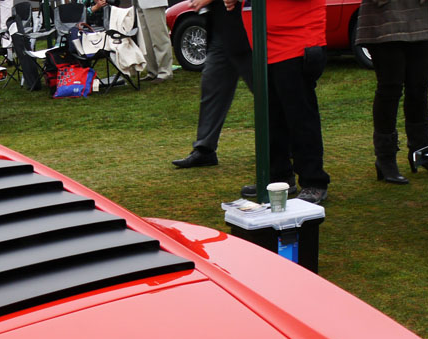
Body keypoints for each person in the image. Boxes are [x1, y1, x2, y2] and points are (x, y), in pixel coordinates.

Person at [232, 0, 331, 204]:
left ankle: (313, 181)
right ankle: (278, 178)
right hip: (264, 50)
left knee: (300, 117)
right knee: (271, 118)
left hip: (295, 43)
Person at [355, 0, 428, 185]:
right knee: (390, 89)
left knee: (419, 87)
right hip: (384, 15)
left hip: (419, 15)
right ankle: (385, 159)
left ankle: (421, 152)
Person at [170, 0, 251, 168]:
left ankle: (291, 143)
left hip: (245, 27)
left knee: (266, 89)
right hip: (222, 28)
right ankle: (205, 149)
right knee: (212, 84)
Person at [134, 0, 173, 82]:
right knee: (145, 41)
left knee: (159, 38)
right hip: (139, 3)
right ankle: (152, 71)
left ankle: (165, 72)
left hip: (153, 3)